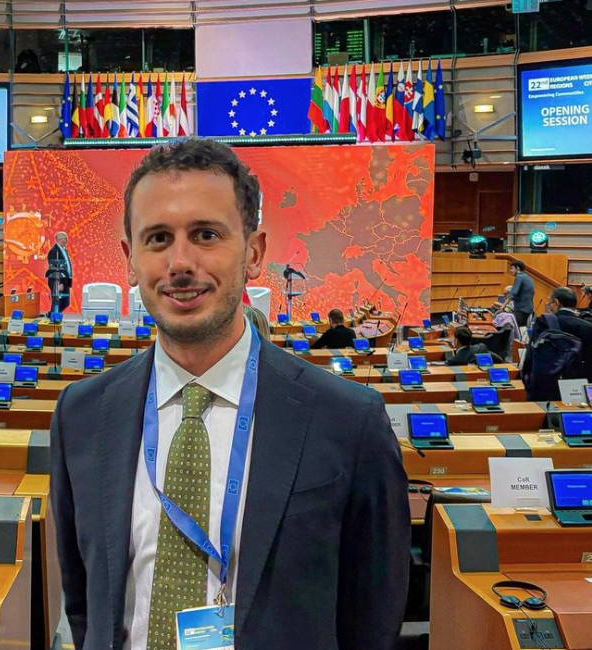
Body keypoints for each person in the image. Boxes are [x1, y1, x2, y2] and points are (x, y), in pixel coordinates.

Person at [51, 139, 409, 650]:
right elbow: (85, 603)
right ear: (130, 260)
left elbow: (372, 617)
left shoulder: (349, 420)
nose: (180, 263)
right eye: (158, 238)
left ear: (254, 252)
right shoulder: (82, 414)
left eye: (206, 235)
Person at [524, 287, 592, 382]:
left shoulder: (544, 322)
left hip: (549, 381)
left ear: (556, 303)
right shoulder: (588, 326)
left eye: (549, 303)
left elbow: (531, 355)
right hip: (578, 382)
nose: (549, 306)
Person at [46, 232, 73, 314]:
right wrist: (59, 283)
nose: (66, 241)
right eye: (65, 239)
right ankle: (53, 315)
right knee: (57, 301)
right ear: (59, 240)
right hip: (58, 280)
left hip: (66, 280)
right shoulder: (54, 251)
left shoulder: (65, 250)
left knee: (66, 302)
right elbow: (55, 269)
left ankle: (52, 314)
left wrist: (69, 282)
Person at [508, 261, 535, 327]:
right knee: (522, 329)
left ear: (518, 268)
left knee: (516, 329)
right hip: (529, 309)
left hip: (521, 309)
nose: (510, 270)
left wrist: (502, 306)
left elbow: (513, 293)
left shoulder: (519, 277)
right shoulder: (529, 278)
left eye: (512, 268)